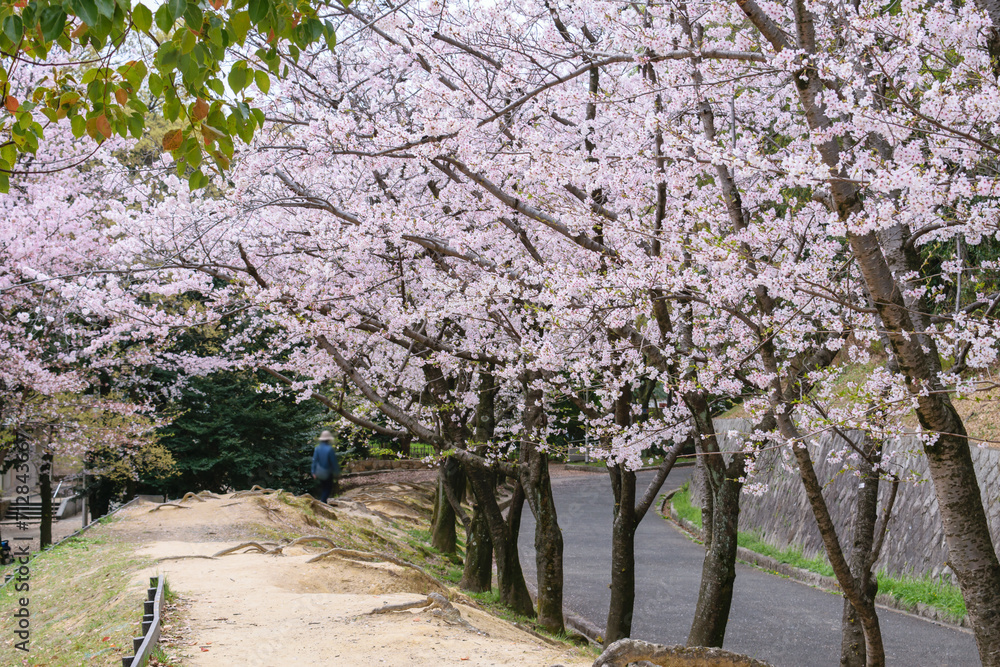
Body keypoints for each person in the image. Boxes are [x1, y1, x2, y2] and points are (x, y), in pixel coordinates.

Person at [311, 430, 341, 503]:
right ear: (328, 439)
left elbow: (314, 461)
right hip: (327, 472)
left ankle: (323, 501)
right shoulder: (330, 449)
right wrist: (337, 472)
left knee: (323, 487)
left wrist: (313, 472)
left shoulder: (317, 448)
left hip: (319, 472)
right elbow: (333, 462)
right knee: (328, 488)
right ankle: (323, 502)